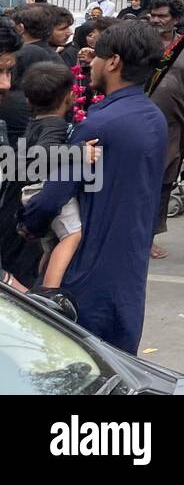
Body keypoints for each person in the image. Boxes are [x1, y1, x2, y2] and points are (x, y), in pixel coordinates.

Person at [20, 20, 167, 352]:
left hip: (89, 266)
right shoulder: (153, 117)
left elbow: (53, 195)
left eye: (98, 57)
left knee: (76, 356)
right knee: (118, 357)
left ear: (113, 62)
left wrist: (28, 225)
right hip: (129, 262)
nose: (92, 63)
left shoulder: (100, 124)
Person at [15, 63, 83, 291]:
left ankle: (44, 277)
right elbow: (45, 152)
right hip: (42, 188)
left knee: (51, 245)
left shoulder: (34, 123)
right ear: (69, 98)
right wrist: (80, 152)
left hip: (30, 189)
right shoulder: (55, 124)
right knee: (72, 236)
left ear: (28, 101)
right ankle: (50, 294)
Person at [145, 0, 184, 260]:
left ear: (175, 18)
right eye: (153, 15)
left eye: (162, 16)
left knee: (164, 182)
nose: (156, 20)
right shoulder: (140, 42)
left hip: (174, 124)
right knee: (138, 181)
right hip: (140, 123)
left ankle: (150, 236)